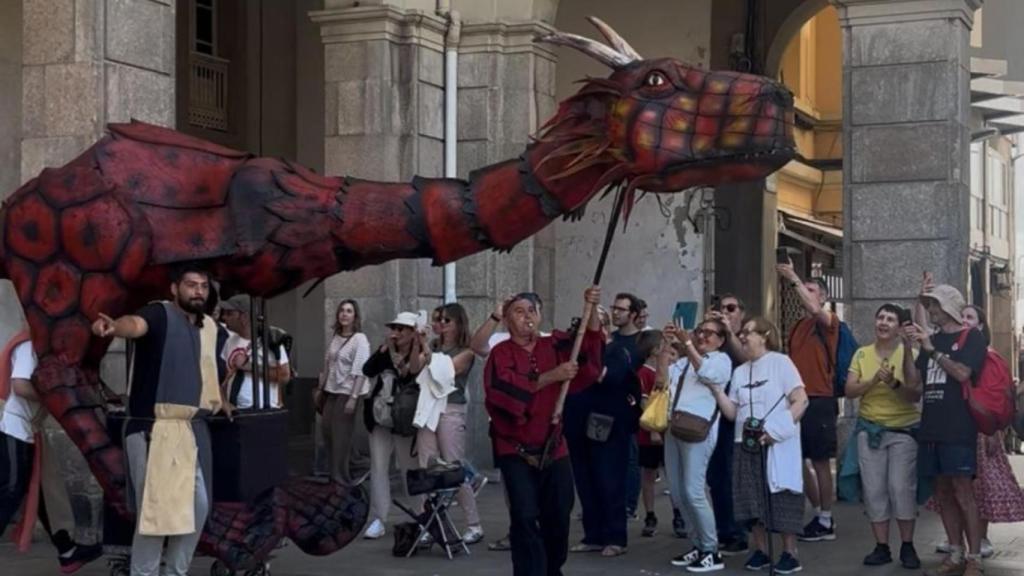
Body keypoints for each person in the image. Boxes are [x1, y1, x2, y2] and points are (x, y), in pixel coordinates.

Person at [91, 264, 225, 576]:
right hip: (154, 427)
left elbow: (204, 372)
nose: (198, 291)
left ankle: (174, 572)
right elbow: (135, 325)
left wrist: (222, 399)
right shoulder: (159, 315)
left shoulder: (208, 328)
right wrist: (115, 327)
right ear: (175, 289)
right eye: (191, 285)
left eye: (203, 286)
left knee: (199, 507)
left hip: (192, 428)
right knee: (155, 515)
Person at [484, 286, 604, 576]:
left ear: (540, 316)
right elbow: (503, 390)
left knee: (559, 514)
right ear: (508, 320)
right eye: (519, 311)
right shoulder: (500, 353)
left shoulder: (554, 345)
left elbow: (587, 349)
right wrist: (552, 376)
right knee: (525, 517)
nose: (527, 316)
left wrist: (592, 312)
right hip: (516, 449)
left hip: (553, 446)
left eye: (532, 311)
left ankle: (552, 569)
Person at [0, 281, 102, 574]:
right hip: (14, 427)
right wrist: (57, 396)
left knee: (47, 488)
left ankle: (67, 550)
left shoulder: (50, 347)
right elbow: (20, 386)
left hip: (30, 428)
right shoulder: (30, 343)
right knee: (9, 489)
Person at [709, 316, 809, 575]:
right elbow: (732, 413)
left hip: (776, 444)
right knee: (750, 500)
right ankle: (761, 550)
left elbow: (801, 400)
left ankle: (790, 553)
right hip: (746, 443)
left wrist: (777, 431)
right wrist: (718, 391)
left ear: (764, 335)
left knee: (781, 496)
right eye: (741, 333)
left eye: (748, 332)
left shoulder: (781, 363)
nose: (742, 337)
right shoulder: (740, 372)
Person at [905, 284, 986, 576]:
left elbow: (964, 373)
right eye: (929, 305)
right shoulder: (931, 340)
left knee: (963, 491)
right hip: (931, 427)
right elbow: (913, 385)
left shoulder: (970, 337)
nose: (931, 311)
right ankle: (955, 552)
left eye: (935, 305)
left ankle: (974, 557)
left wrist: (932, 352)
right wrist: (909, 346)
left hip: (958, 427)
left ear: (949, 306)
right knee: (942, 492)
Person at [932, 304, 1024, 560]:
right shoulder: (955, 351)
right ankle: (957, 540)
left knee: (977, 488)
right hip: (953, 426)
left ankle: (980, 539)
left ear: (981, 326)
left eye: (970, 317)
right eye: (961, 316)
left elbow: (996, 398)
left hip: (979, 431)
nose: (964, 320)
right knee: (953, 487)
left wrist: (994, 431)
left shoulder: (989, 356)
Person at [841, 304, 922, 569]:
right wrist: (874, 381)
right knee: (874, 490)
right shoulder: (862, 354)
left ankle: (908, 546)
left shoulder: (910, 353)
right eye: (880, 318)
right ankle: (882, 546)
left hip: (903, 431)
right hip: (870, 431)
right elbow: (850, 390)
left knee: (900, 488)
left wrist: (893, 383)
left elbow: (914, 395)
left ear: (899, 327)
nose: (883, 323)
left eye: (890, 319)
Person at [569, 292, 644, 557]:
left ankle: (615, 537)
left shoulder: (616, 350)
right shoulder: (573, 350)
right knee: (586, 481)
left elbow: (606, 377)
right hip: (578, 423)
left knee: (609, 480)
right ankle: (594, 535)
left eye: (596, 319)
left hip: (608, 425)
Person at [662, 319, 732, 573]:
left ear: (721, 340)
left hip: (698, 431)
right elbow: (662, 381)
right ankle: (698, 544)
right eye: (701, 331)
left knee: (694, 491)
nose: (704, 336)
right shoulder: (682, 362)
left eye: (710, 334)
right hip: (674, 427)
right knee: (678, 493)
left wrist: (688, 344)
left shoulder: (721, 361)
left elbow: (707, 373)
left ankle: (712, 550)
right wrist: (664, 347)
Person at [777, 262, 840, 542]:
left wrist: (792, 277)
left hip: (820, 397)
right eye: (804, 288)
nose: (804, 292)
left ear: (823, 297)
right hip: (795, 398)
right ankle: (816, 512)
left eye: (811, 289)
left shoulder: (826, 321)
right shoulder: (797, 327)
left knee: (820, 460)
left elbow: (815, 310)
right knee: (798, 458)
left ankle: (826, 519)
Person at [414, 303, 484, 545]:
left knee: (454, 468)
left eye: (445, 320)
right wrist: (418, 342)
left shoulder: (467, 351)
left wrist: (424, 346)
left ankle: (473, 524)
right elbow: (415, 369)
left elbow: (443, 372)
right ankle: (429, 524)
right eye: (437, 319)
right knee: (426, 467)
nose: (439, 325)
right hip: (428, 408)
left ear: (457, 323)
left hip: (450, 408)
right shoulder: (431, 346)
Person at [360, 310, 427, 540]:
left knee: (409, 468)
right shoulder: (385, 351)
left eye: (401, 329)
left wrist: (417, 347)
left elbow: (414, 377)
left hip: (404, 419)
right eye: (393, 328)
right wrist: (383, 350)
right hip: (380, 417)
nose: (395, 333)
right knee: (378, 467)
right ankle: (379, 518)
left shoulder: (419, 352)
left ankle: (421, 515)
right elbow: (367, 370)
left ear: (412, 332)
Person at [704, 293, 750, 555]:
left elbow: (745, 360)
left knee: (733, 474)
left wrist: (729, 333)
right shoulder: (711, 338)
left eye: (731, 308)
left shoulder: (746, 336)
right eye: (720, 309)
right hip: (711, 414)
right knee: (715, 475)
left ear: (741, 312)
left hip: (738, 415)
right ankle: (723, 529)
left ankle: (738, 531)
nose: (725, 312)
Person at [314, 299, 371, 485]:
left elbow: (360, 370)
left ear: (355, 316)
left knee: (340, 435)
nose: (344, 314)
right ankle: (348, 467)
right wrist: (320, 389)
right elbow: (327, 365)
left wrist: (353, 398)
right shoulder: (336, 337)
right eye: (342, 311)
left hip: (349, 391)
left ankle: (341, 478)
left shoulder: (360, 339)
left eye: (349, 311)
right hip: (332, 390)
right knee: (327, 431)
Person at [219, 294, 291, 410]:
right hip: (234, 410)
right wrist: (224, 402)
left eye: (229, 313)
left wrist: (249, 366)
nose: (224, 317)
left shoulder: (270, 341)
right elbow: (226, 377)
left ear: (244, 317)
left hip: (262, 410)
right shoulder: (230, 341)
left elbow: (284, 376)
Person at [635, 329, 666, 538]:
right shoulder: (644, 373)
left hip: (667, 431)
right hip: (651, 432)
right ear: (655, 350)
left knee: (671, 474)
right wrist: (654, 429)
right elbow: (644, 401)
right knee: (649, 473)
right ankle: (650, 513)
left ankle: (678, 513)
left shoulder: (666, 370)